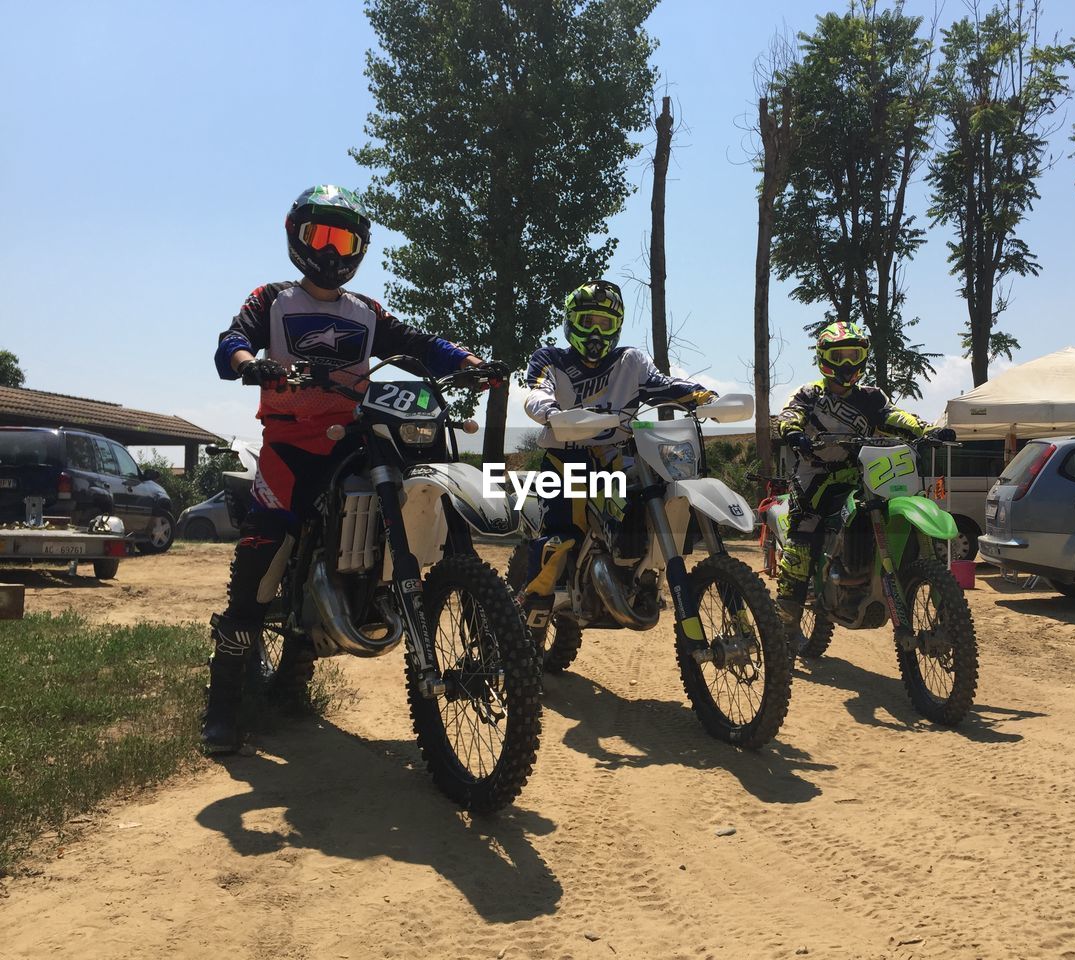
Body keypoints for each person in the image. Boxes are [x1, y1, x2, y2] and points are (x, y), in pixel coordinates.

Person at [205, 184, 502, 754]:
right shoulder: (272, 298)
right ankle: (222, 705)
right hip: (292, 446)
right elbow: (231, 340)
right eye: (322, 235)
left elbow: (416, 343)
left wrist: (467, 361)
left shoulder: (365, 311)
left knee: (427, 487)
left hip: (356, 439)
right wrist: (250, 362)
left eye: (346, 238)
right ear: (297, 237)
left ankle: (438, 601)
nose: (333, 249)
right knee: (262, 555)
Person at [516, 279, 716, 634]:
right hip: (566, 461)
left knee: (653, 497)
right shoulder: (551, 358)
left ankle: (634, 574)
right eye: (588, 320)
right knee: (562, 536)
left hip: (619, 458)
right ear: (571, 321)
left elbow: (661, 383)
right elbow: (536, 391)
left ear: (617, 326)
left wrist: (698, 394)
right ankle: (532, 608)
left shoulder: (630, 360)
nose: (596, 331)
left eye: (605, 323)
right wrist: (549, 411)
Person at [773, 320, 954, 642]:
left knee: (877, 513)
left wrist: (928, 430)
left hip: (862, 473)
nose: (847, 363)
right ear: (824, 357)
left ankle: (876, 574)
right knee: (804, 536)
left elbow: (894, 417)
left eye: (853, 355)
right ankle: (785, 619)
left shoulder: (872, 397)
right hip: (814, 476)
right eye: (839, 355)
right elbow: (790, 414)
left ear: (863, 357)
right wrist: (794, 432)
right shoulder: (810, 394)